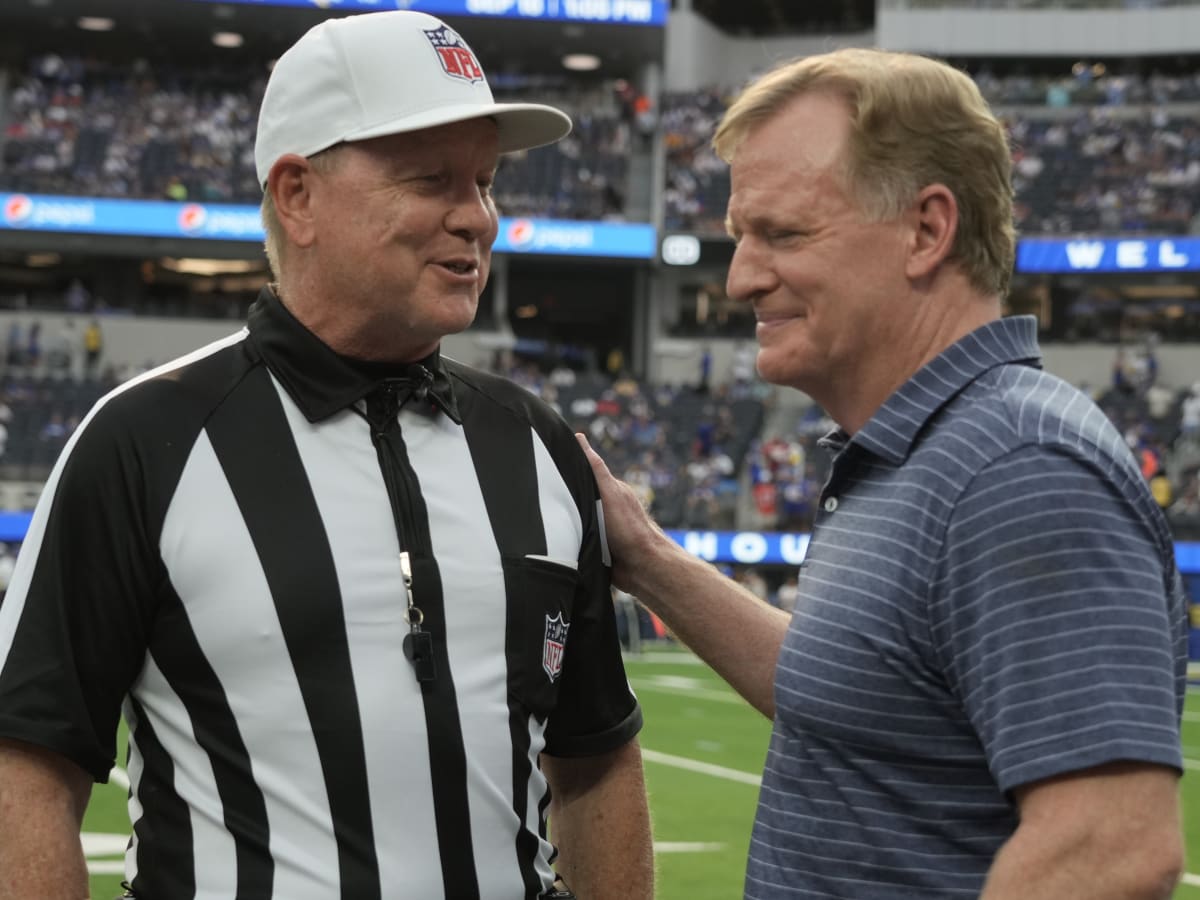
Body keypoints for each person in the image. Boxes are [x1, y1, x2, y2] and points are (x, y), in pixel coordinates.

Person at [0, 11, 652, 899]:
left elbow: (596, 758)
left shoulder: (538, 445)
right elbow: (27, 771)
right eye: (432, 180)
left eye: (487, 180)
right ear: (298, 195)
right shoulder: (143, 443)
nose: (478, 218)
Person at [578, 47, 1186, 899]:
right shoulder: (926, 447)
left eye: (783, 234)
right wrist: (647, 558)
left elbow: (1111, 850)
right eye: (741, 237)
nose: (741, 278)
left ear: (927, 231)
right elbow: (859, 700)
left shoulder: (1018, 468)